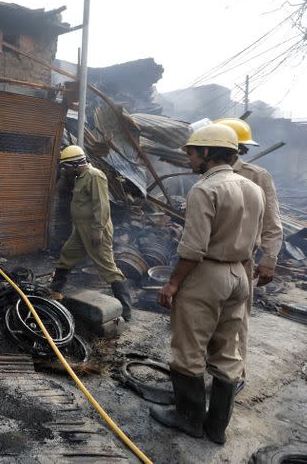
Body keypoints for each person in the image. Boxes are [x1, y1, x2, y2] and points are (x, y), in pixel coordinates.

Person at [150, 123, 265, 445]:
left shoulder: (204, 189)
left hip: (208, 275)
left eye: (191, 152)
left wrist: (172, 285)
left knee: (189, 350)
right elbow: (255, 238)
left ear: (207, 153)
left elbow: (193, 248)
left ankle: (188, 419)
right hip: (239, 274)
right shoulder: (252, 187)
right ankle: (216, 428)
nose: (188, 159)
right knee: (228, 352)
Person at [214, 118, 283, 393]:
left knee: (237, 320)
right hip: (208, 261)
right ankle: (216, 368)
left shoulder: (257, 176)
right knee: (209, 319)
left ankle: (234, 375)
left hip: (241, 261)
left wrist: (269, 260)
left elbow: (272, 222)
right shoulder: (208, 174)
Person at [49, 145, 132, 320]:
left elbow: (101, 205)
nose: (65, 170)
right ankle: (55, 290)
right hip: (81, 229)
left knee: (107, 267)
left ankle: (126, 310)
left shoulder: (95, 176)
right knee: (67, 255)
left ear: (75, 165)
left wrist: (98, 230)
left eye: (66, 167)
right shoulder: (80, 176)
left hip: (94, 229)